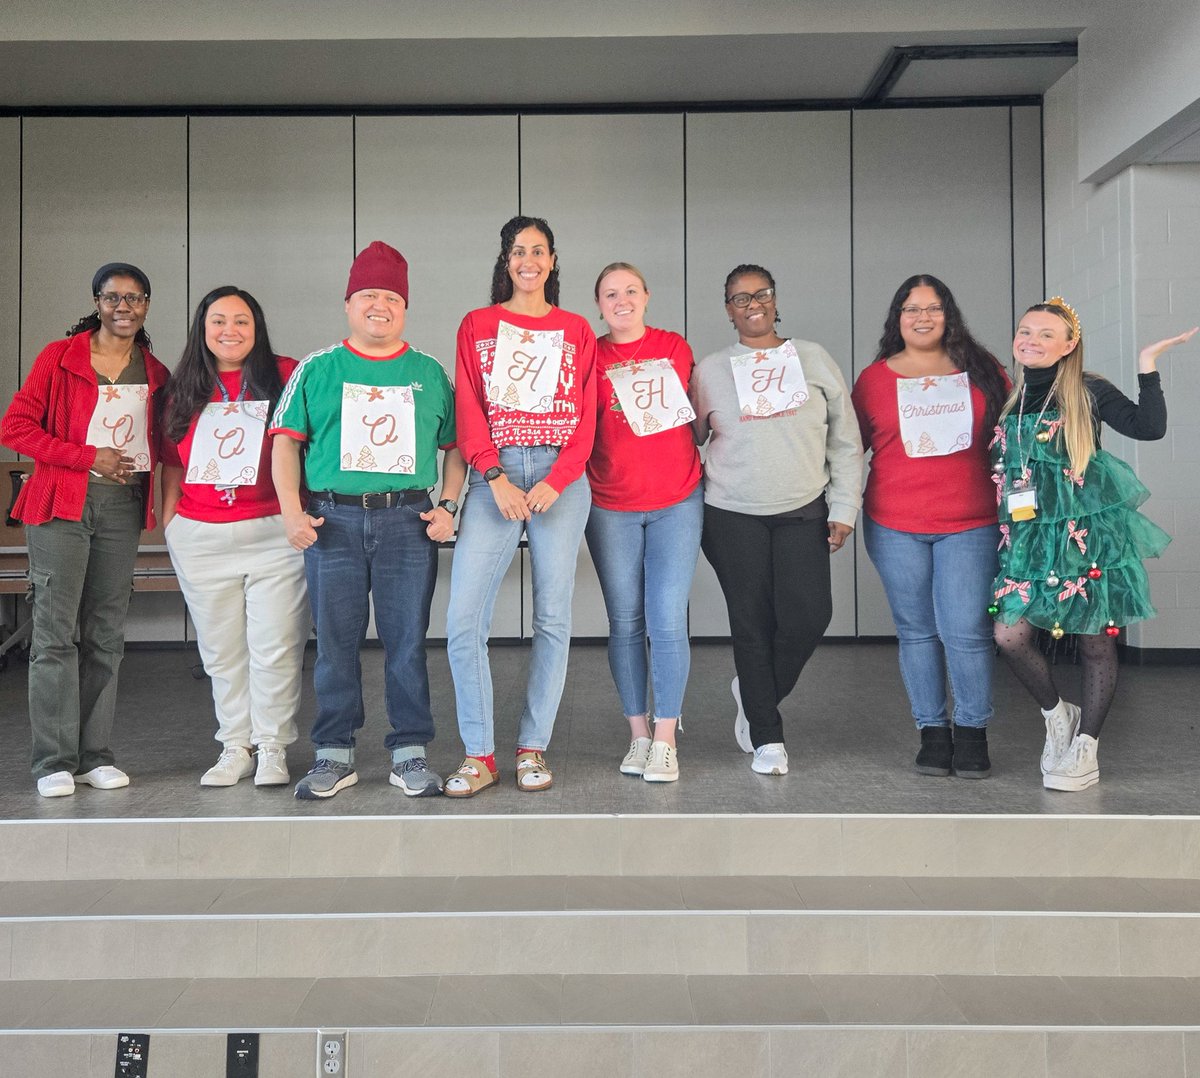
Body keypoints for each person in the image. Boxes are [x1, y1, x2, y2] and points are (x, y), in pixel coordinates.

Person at [270, 241, 465, 800]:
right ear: (348, 303)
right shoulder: (318, 367)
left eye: (390, 297)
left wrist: (448, 505)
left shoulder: (427, 371)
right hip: (331, 520)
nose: (379, 306)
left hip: (406, 519)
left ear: (404, 307)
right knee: (334, 641)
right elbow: (285, 445)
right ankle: (334, 753)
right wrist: (291, 510)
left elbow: (455, 447)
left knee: (406, 641)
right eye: (367, 296)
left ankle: (410, 752)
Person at [991, 298, 1195, 791]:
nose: (1032, 340)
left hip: (1085, 540)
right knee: (1009, 636)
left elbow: (1150, 428)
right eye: (1025, 331)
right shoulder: (1012, 395)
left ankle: (1087, 747)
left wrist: (1148, 365)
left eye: (1045, 334)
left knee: (1093, 641)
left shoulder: (1087, 390)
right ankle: (1057, 714)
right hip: (1029, 537)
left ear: (1068, 345)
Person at [1, 262, 169, 797]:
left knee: (104, 633)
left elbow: (166, 443)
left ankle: (94, 755)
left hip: (121, 509)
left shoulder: (156, 371)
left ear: (146, 304)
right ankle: (53, 760)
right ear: (96, 302)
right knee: (54, 633)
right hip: (59, 504)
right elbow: (15, 426)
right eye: (113, 297)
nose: (124, 307)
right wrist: (84, 456)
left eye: (135, 297)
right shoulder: (61, 356)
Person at [444, 215, 597, 796]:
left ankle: (533, 748)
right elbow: (469, 409)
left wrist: (558, 479)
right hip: (496, 473)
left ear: (552, 261)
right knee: (463, 621)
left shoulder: (576, 328)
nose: (527, 260)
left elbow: (587, 416)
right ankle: (479, 754)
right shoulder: (478, 324)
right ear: (505, 262)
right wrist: (493, 474)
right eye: (517, 251)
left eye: (538, 251)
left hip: (561, 475)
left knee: (553, 619)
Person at [690, 264, 862, 776]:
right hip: (729, 513)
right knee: (750, 623)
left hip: (802, 509)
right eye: (739, 299)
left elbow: (846, 442)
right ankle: (768, 736)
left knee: (809, 616)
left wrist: (845, 507)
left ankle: (754, 690)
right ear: (728, 310)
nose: (752, 305)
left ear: (774, 298)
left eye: (759, 294)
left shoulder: (813, 359)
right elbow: (686, 440)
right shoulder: (711, 370)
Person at [852, 275, 1010, 779]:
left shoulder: (984, 371)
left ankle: (972, 731)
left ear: (949, 315)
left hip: (971, 522)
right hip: (894, 524)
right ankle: (932, 733)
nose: (923, 317)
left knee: (965, 630)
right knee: (917, 633)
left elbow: (1012, 439)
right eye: (911, 308)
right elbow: (848, 448)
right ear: (896, 318)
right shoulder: (873, 379)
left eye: (934, 308)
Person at [160, 287, 309, 788]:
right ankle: (234, 745)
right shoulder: (180, 386)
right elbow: (169, 463)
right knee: (222, 652)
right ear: (202, 328)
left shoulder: (286, 375)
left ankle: (272, 746)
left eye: (242, 321)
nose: (230, 331)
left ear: (258, 327)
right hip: (200, 536)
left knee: (276, 645)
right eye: (218, 321)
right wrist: (171, 526)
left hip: (272, 531)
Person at [585, 262, 702, 783]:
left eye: (631, 290)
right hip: (610, 503)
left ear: (647, 296)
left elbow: (695, 414)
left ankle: (665, 738)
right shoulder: (589, 353)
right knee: (626, 621)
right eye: (611, 293)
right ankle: (636, 735)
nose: (622, 300)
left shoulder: (673, 346)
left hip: (677, 499)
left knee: (668, 619)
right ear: (599, 304)